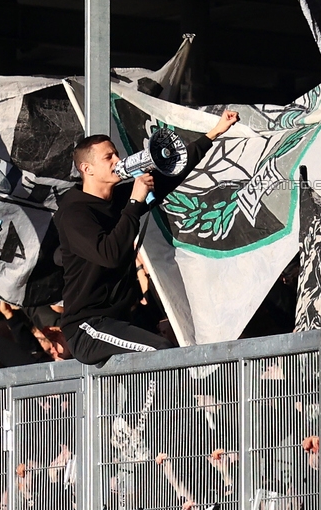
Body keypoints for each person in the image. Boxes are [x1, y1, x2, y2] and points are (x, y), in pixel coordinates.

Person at [54, 111, 238, 365]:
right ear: (87, 169)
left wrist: (213, 133)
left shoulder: (117, 199)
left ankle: (150, 406)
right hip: (87, 327)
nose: (118, 160)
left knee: (154, 364)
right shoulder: (75, 213)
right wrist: (133, 203)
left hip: (117, 320)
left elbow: (171, 176)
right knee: (160, 351)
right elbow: (109, 254)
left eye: (116, 153)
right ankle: (160, 407)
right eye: (108, 157)